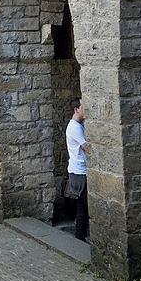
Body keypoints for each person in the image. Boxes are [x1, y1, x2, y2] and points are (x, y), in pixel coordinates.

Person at [66, 98, 89, 242]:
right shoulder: (75, 127)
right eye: (83, 107)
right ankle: (81, 234)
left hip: (78, 171)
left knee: (82, 206)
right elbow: (86, 147)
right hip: (80, 172)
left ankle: (80, 235)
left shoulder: (77, 126)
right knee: (85, 205)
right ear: (76, 109)